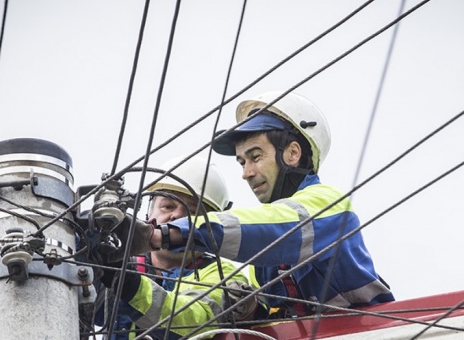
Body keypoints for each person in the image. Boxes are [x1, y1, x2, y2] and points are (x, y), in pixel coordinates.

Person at [147, 91, 394, 316]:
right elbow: (275, 322)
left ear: (293, 154)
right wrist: (252, 310)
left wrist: (171, 234)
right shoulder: (260, 263)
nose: (246, 173)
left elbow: (274, 228)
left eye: (255, 157)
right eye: (242, 162)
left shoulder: (329, 205)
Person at [95, 156, 252, 340]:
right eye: (167, 206)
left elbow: (197, 318)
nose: (177, 215)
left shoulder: (224, 275)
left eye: (192, 212)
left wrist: (129, 285)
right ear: (149, 213)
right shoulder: (119, 261)